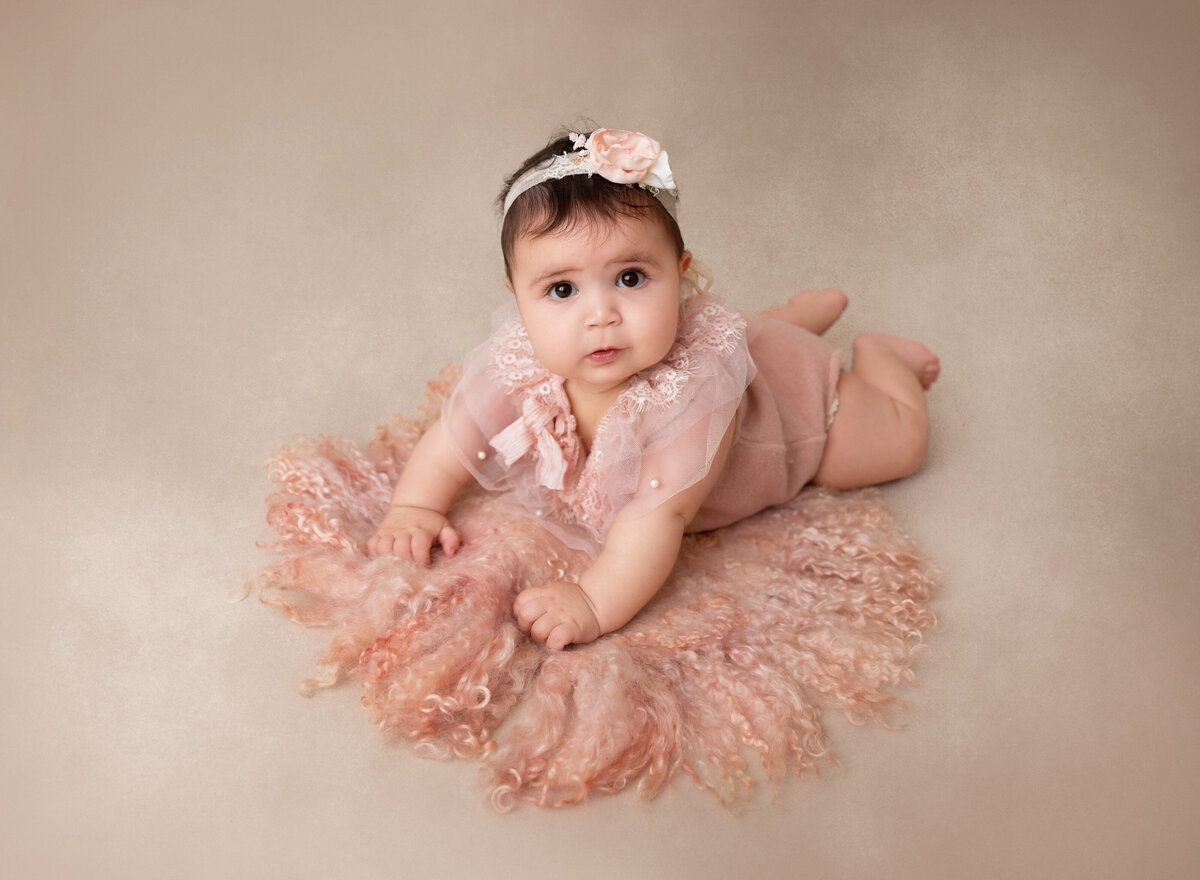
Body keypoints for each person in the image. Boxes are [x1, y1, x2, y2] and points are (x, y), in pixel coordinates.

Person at [367, 127, 940, 651]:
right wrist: (414, 506)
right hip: (756, 357)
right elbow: (456, 433)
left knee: (898, 443)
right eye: (562, 290)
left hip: (800, 413)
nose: (602, 316)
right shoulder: (522, 358)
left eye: (631, 278)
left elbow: (656, 519)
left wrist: (593, 600)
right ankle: (783, 321)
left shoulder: (690, 393)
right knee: (752, 341)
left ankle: (880, 361)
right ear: (517, 293)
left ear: (681, 274)